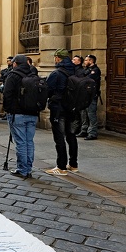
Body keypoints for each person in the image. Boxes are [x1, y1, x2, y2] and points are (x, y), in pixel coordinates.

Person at [3, 54, 38, 179]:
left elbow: (7, 94)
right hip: (33, 113)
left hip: (17, 113)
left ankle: (22, 169)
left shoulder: (13, 75)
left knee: (21, 143)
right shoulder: (33, 74)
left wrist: (7, 110)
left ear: (15, 63)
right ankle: (28, 168)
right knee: (29, 142)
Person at [45, 48, 79, 176]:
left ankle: (61, 167)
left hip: (58, 109)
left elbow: (48, 90)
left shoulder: (57, 73)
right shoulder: (75, 71)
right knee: (71, 136)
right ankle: (73, 164)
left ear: (58, 58)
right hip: (72, 108)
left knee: (59, 138)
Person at [79, 54, 101, 141]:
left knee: (91, 114)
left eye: (86, 60)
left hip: (91, 95)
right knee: (84, 113)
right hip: (85, 95)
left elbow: (86, 80)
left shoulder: (95, 70)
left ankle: (92, 133)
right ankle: (84, 130)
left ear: (91, 61)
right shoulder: (87, 70)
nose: (84, 62)